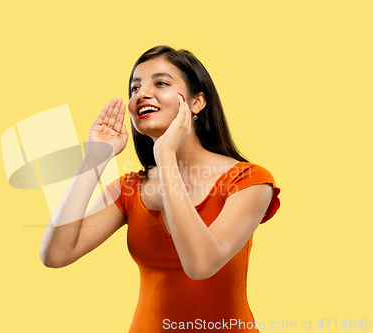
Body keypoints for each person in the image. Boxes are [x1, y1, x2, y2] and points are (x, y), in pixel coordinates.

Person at [40, 45, 281, 332]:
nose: (141, 94)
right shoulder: (130, 188)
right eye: (135, 87)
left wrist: (165, 155)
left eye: (161, 82)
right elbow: (55, 255)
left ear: (197, 102)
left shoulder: (248, 180)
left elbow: (201, 266)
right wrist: (94, 158)